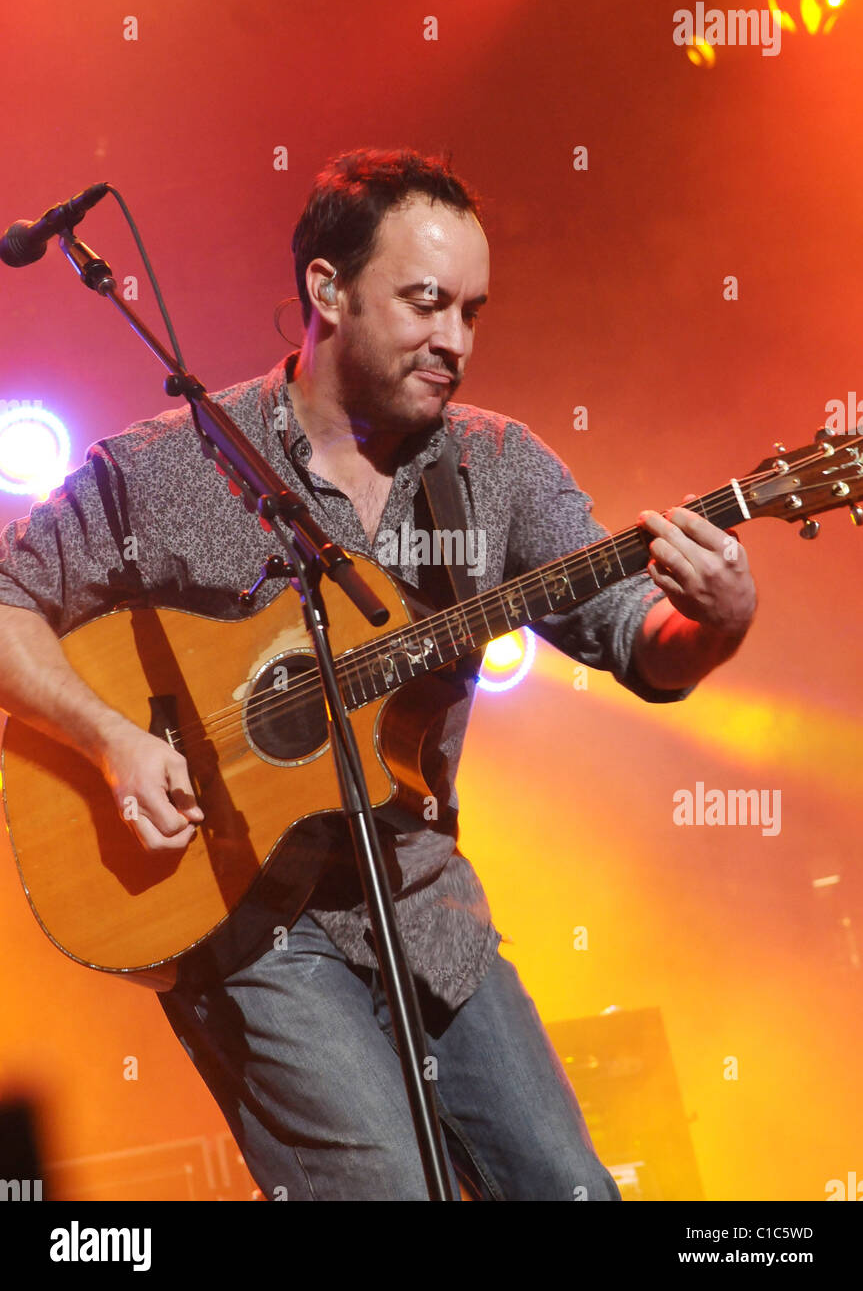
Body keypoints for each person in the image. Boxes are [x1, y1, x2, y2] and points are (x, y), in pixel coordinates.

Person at [0, 148, 757, 1201]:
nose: (454, 339)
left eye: (472, 311)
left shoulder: (496, 469)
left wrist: (714, 622)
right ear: (326, 288)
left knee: (567, 1186)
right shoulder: (171, 466)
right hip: (246, 921)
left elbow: (638, 639)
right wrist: (111, 739)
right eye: (424, 302)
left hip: (424, 906)